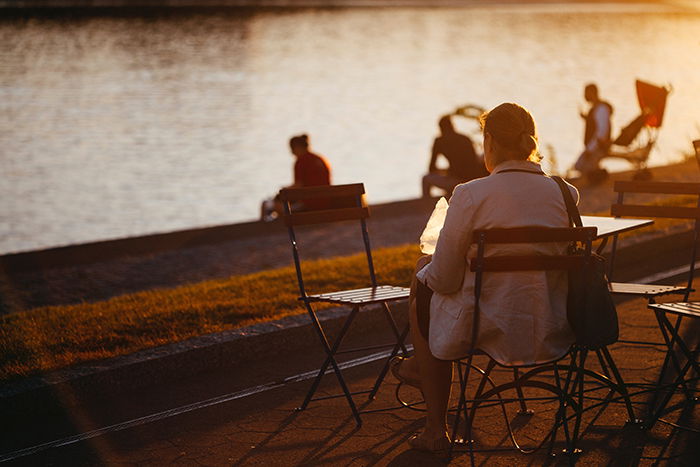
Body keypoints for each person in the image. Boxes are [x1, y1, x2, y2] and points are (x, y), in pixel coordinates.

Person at [390, 103, 578, 454]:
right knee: (424, 275)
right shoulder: (565, 193)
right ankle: (420, 370)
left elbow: (444, 280)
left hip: (487, 325)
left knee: (422, 285)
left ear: (488, 142)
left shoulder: (470, 194)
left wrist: (426, 269)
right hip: (552, 321)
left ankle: (435, 427)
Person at [260, 134, 332, 221]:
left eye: (292, 148)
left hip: (310, 205)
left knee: (267, 204)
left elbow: (297, 187)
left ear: (297, 147)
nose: (291, 152)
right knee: (282, 203)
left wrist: (283, 191)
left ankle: (268, 229)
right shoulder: (320, 159)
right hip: (326, 202)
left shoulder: (301, 161)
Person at [422, 115, 485, 198]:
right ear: (452, 125)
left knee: (425, 179)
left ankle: (425, 204)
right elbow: (473, 162)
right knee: (450, 177)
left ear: (441, 128)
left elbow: (431, 168)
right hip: (471, 180)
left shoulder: (439, 141)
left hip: (456, 181)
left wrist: (443, 171)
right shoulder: (465, 138)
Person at [574, 83, 614, 183]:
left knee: (580, 165)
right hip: (594, 146)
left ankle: (601, 175)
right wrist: (585, 118)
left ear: (593, 93)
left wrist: (590, 149)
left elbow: (602, 131)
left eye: (586, 93)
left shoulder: (601, 109)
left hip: (598, 147)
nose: (584, 96)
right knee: (579, 166)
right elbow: (595, 124)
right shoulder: (595, 108)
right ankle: (597, 174)